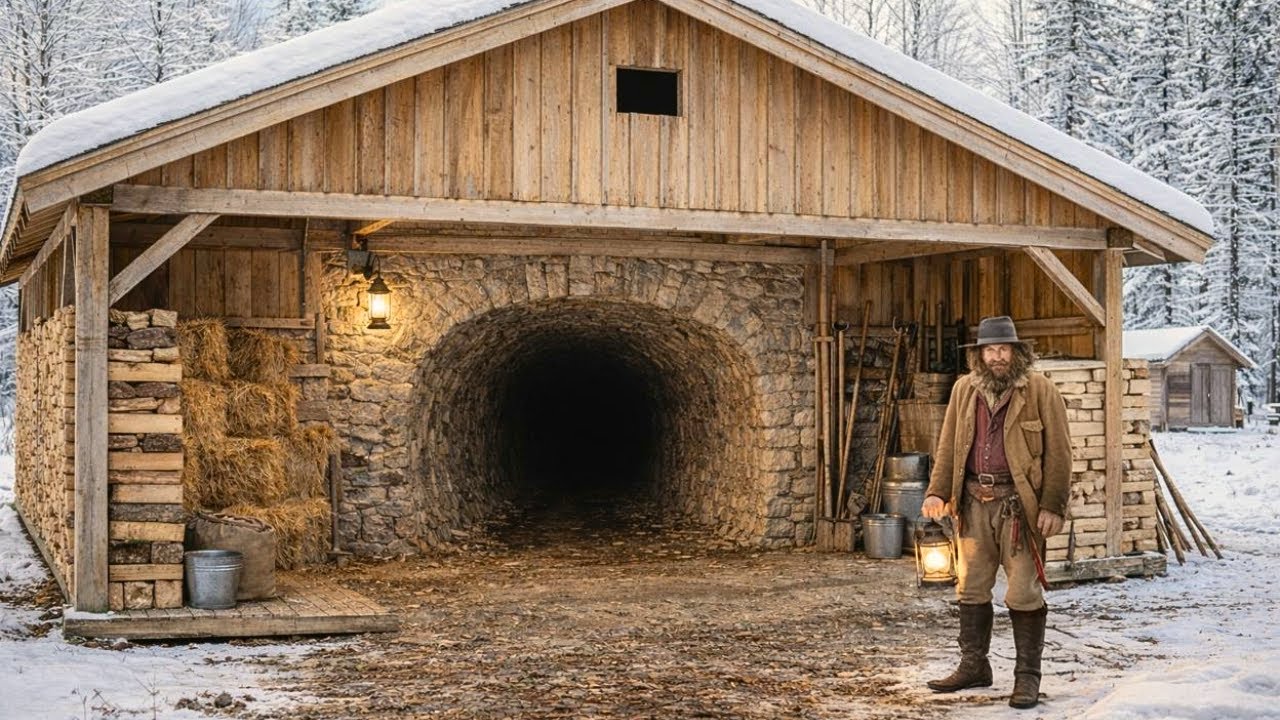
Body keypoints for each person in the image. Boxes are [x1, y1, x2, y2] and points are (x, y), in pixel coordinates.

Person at [920, 315, 1071, 709]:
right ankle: (974, 666)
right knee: (970, 588)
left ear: (1017, 352)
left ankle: (1027, 678)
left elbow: (1060, 453)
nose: (997, 356)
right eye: (990, 349)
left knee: (1022, 592)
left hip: (1019, 509)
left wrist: (1054, 505)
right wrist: (937, 491)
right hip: (972, 504)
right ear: (979, 355)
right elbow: (949, 444)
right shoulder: (963, 390)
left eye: (1004, 349)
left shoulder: (1040, 391)